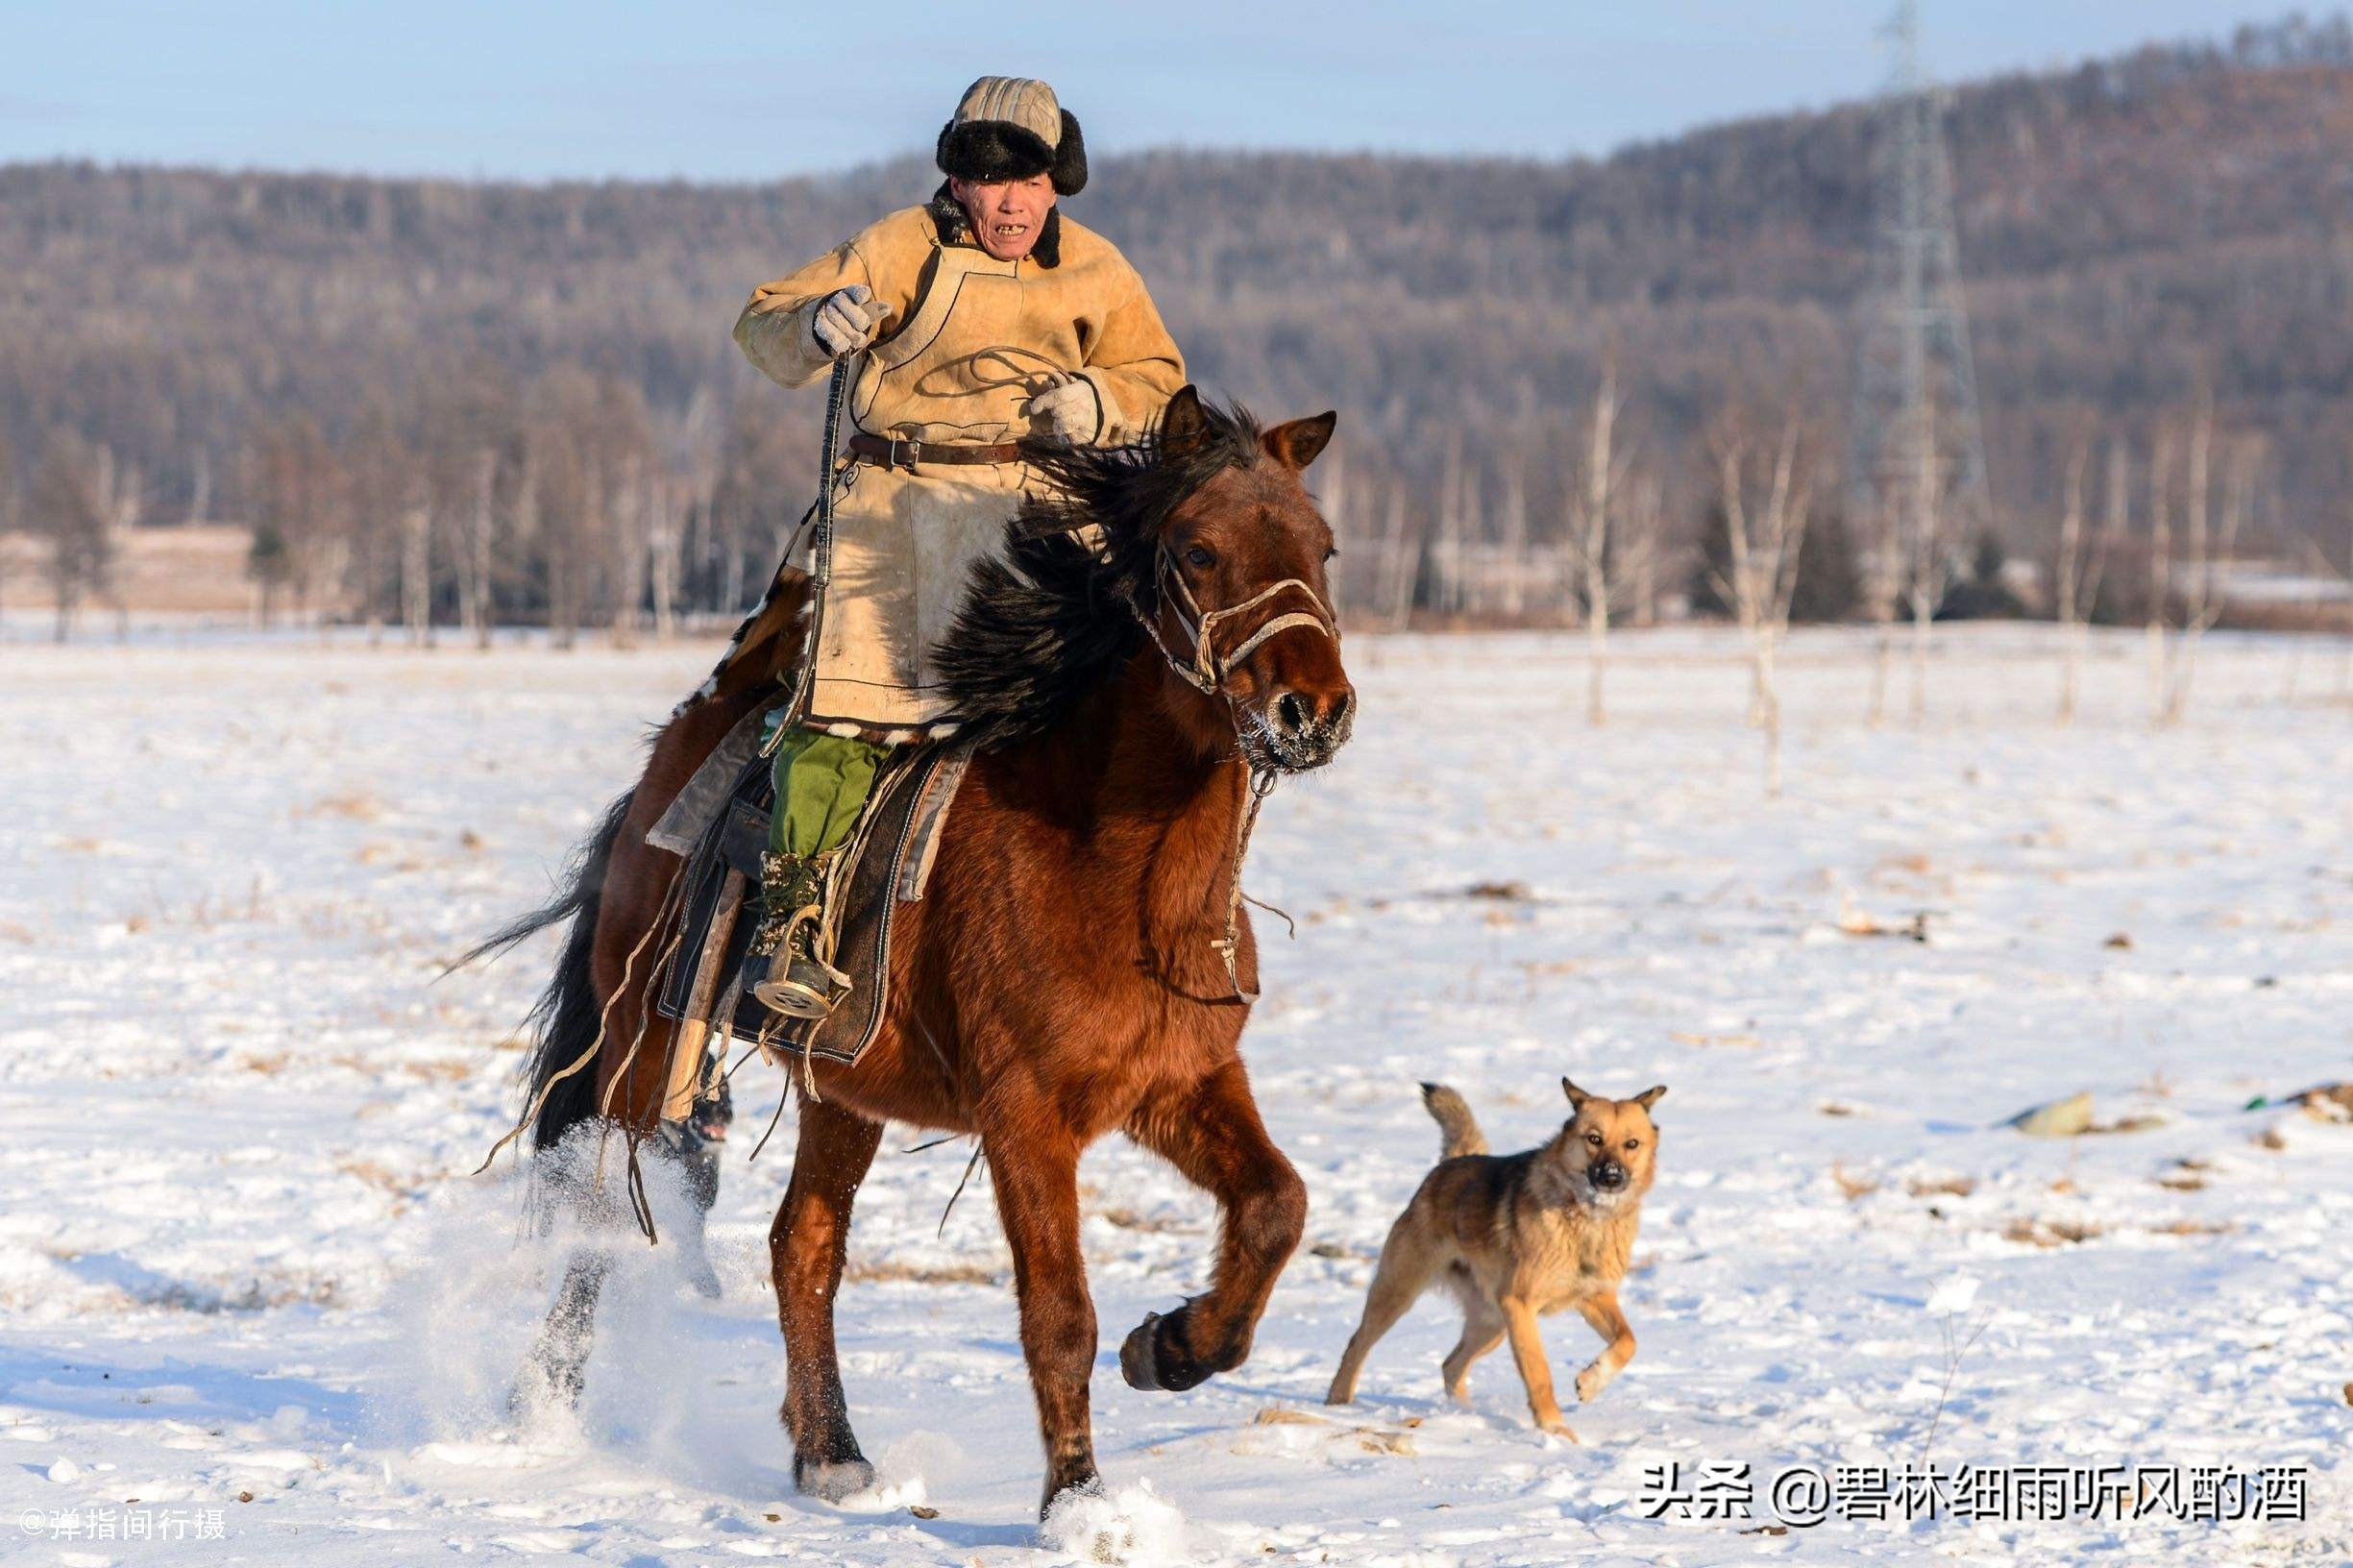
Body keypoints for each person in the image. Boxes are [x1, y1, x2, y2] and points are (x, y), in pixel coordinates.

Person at [718, 76, 1187, 1021]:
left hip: (1041, 511)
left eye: (1028, 180)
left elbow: (1159, 378)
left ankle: (1154, 909)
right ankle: (795, 920)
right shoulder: (897, 246)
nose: (1010, 201)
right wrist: (816, 325)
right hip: (901, 502)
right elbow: (760, 325)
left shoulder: (1097, 269)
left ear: (1059, 181)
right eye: (988, 179)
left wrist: (1100, 402)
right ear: (957, 180)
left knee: (1139, 699)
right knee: (854, 707)